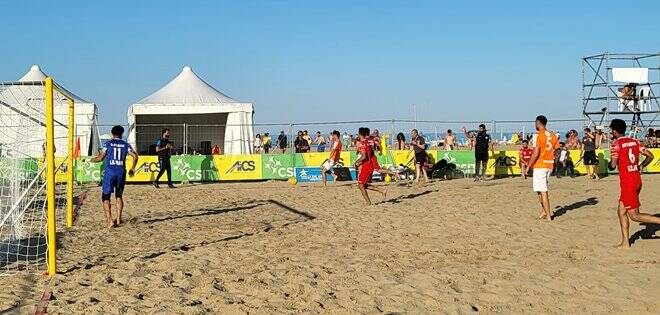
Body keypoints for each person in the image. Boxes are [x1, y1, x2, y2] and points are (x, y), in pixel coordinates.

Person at [607, 118, 659, 249]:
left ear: (614, 131)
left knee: (634, 216)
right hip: (636, 179)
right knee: (621, 211)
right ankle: (625, 243)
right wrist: (641, 166)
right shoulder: (635, 141)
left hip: (628, 182)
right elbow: (650, 156)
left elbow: (612, 166)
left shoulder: (616, 145)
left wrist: (610, 163)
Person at [89, 125, 138, 228]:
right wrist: (133, 168)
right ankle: (119, 219)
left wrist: (90, 160)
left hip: (110, 172)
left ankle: (110, 220)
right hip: (121, 171)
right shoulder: (126, 145)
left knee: (106, 196)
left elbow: (100, 158)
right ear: (121, 134)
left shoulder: (108, 144)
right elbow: (135, 156)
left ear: (112, 133)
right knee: (119, 196)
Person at [527, 115, 559, 221]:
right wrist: (556, 162)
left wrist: (528, 166)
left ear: (538, 123)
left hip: (540, 165)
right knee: (539, 190)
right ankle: (544, 211)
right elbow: (558, 150)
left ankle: (549, 215)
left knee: (543, 190)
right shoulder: (553, 135)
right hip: (549, 164)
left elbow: (536, 152)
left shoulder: (538, 135)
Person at [354, 127, 386, 205]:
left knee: (361, 185)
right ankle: (381, 190)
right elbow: (374, 148)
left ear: (360, 134)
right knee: (363, 185)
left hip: (367, 165)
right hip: (368, 163)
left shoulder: (363, 143)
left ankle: (369, 203)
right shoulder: (368, 141)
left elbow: (364, 156)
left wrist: (356, 162)